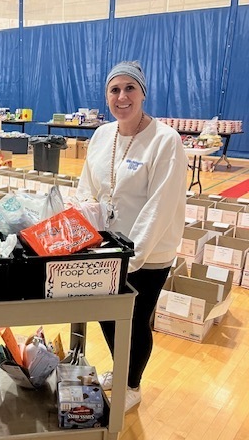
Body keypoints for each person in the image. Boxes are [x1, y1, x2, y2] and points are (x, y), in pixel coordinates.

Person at [76, 60, 187, 412]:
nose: (122, 97)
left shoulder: (164, 140)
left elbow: (160, 205)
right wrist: (82, 228)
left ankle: (131, 384)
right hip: (106, 246)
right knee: (105, 312)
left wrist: (132, 257)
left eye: (129, 88)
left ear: (143, 93)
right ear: (106, 95)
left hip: (148, 251)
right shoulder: (101, 135)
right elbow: (86, 188)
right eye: (114, 90)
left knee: (135, 318)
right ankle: (121, 368)